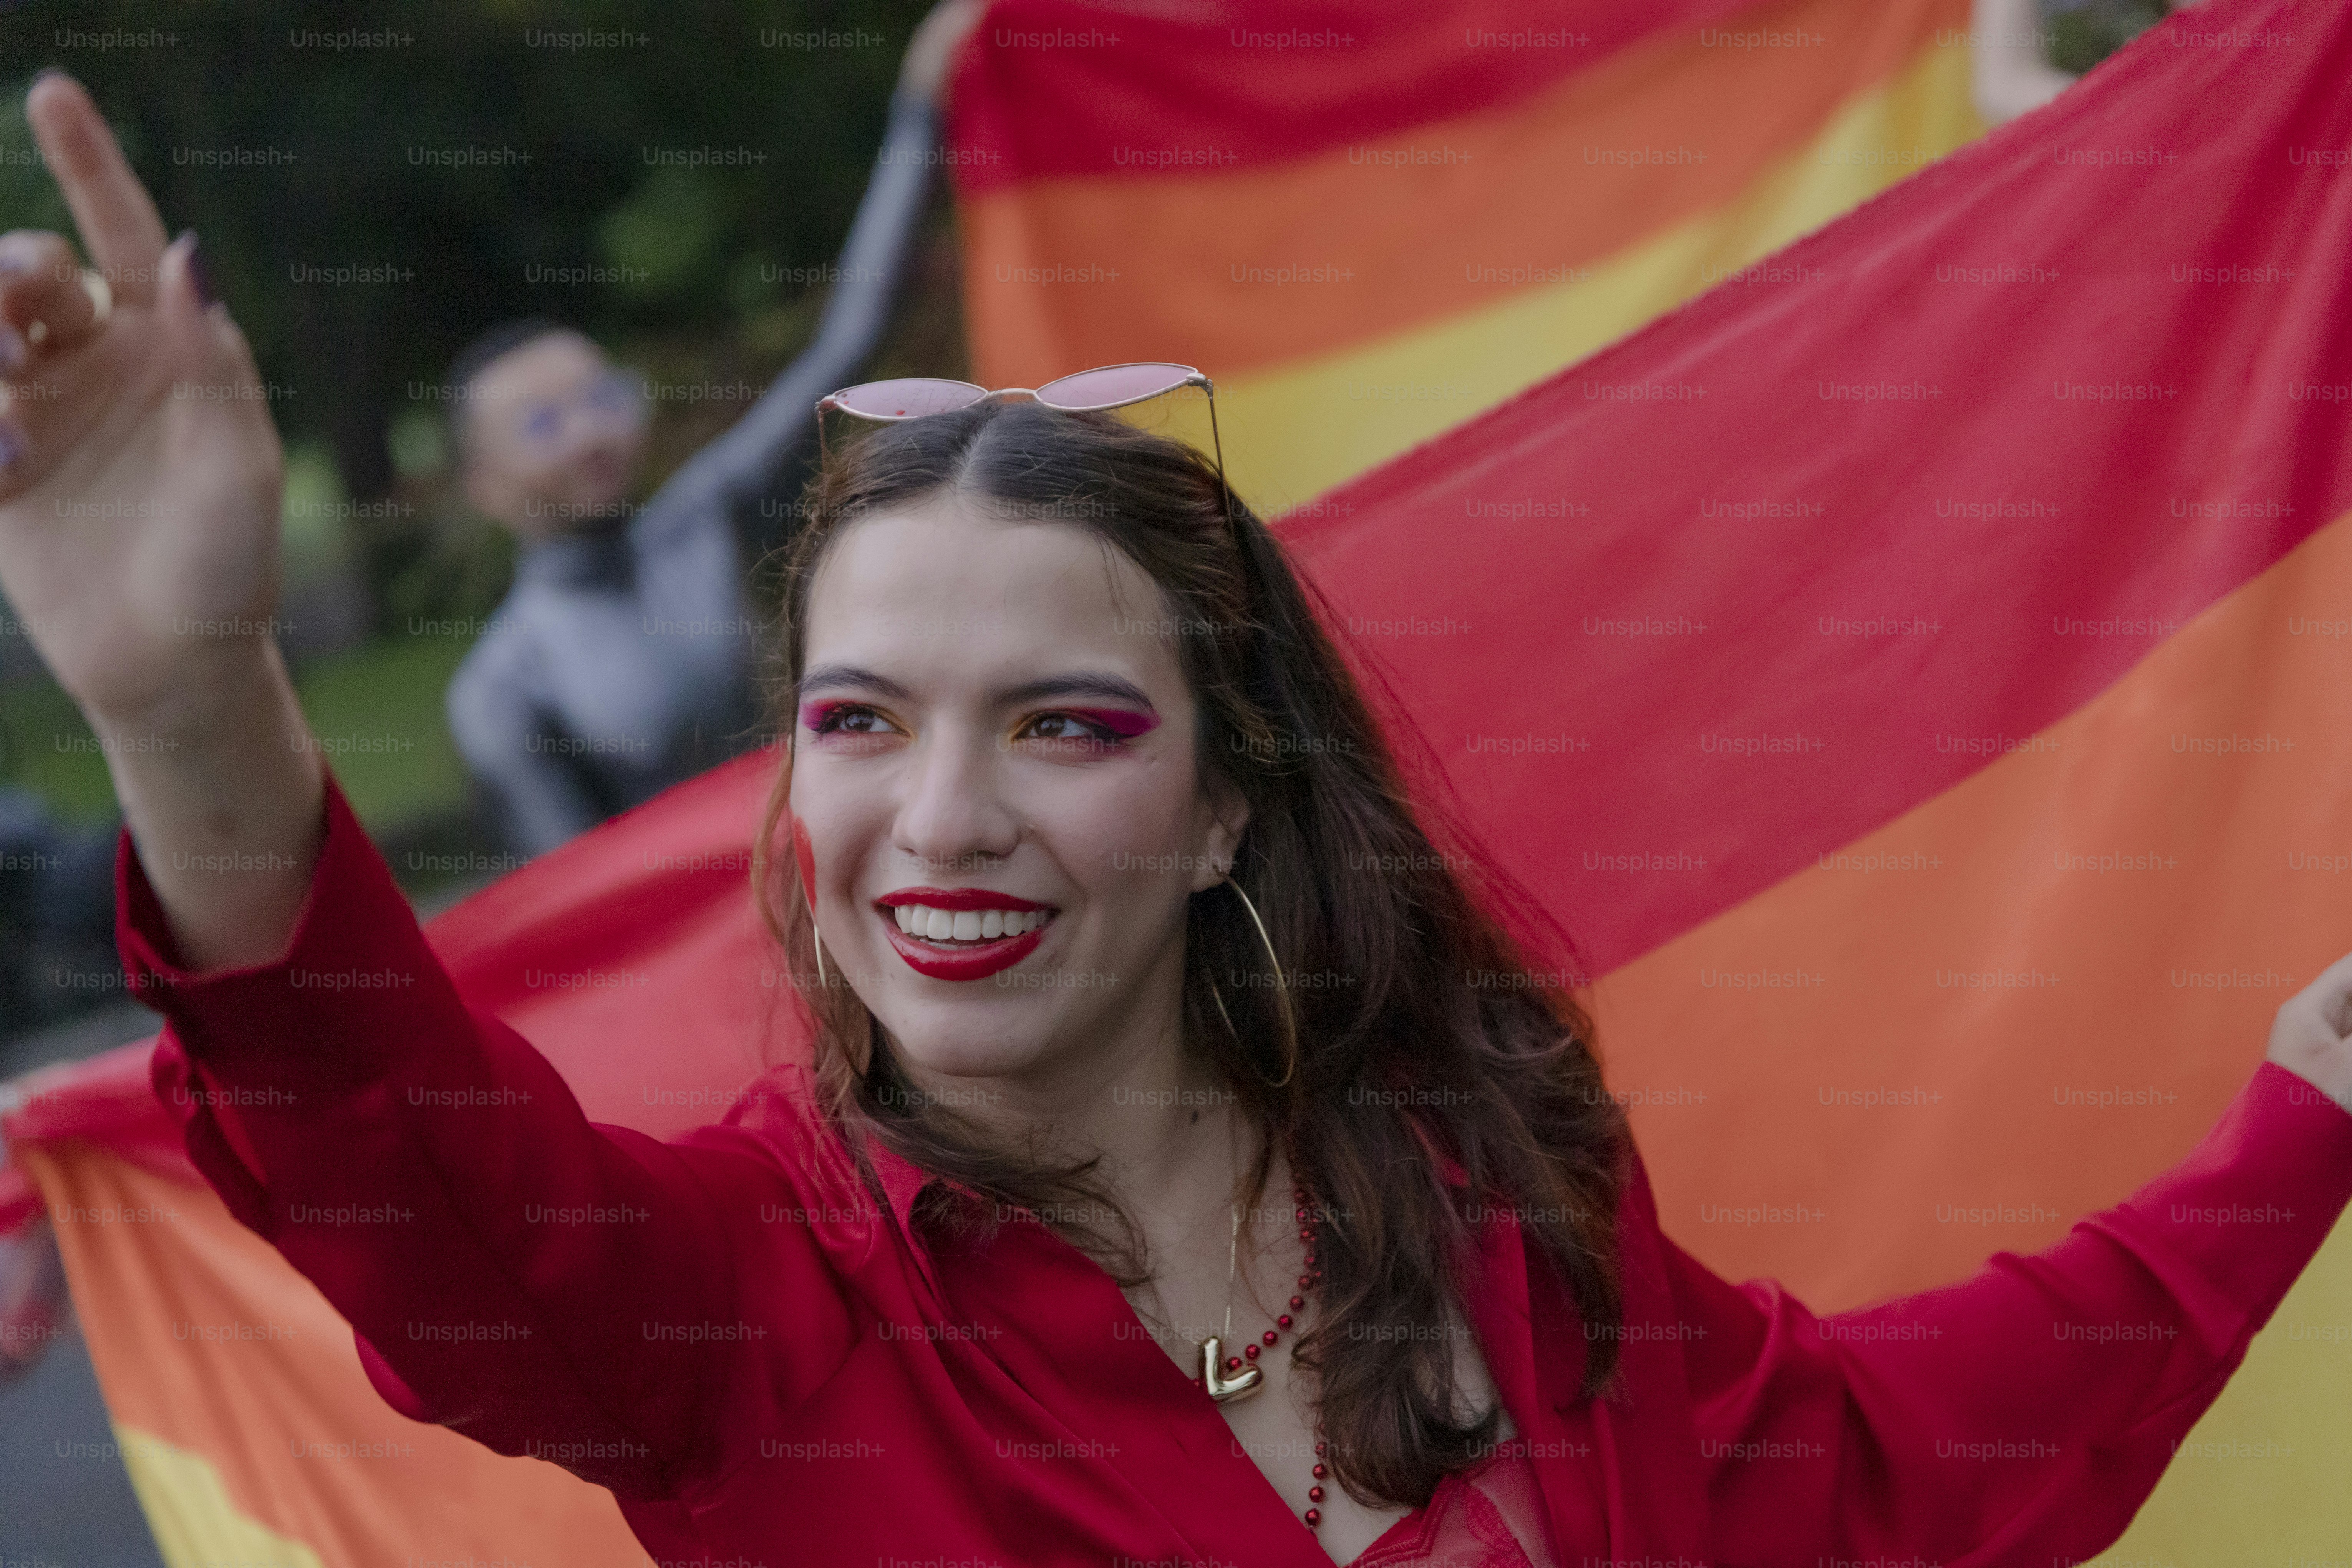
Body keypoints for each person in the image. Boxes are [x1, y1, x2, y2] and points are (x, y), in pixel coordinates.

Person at [6, 68, 2352, 1568]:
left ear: (1229, 801)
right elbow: (395, 1151)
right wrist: (189, 693)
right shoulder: (737, 1309)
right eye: (858, 714)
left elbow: (1860, 1475)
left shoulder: (1473, 1176)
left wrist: (2298, 1124)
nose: (940, 813)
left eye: (1063, 725)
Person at [439, 1, 980, 857]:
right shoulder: (504, 688)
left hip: (843, 886)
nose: (589, 435)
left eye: (603, 398)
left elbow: (848, 338)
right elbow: (581, 908)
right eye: (544, 422)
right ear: (485, 485)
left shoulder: (707, 519)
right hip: (696, 967)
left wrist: (919, 108)